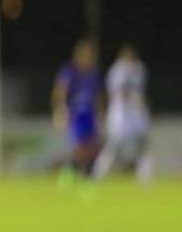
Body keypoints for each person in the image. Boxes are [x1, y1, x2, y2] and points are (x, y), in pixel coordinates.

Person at [94, 44, 152, 182]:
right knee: (112, 149)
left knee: (143, 147)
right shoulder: (117, 70)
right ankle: (96, 177)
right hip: (121, 115)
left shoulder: (139, 69)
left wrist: (142, 104)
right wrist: (134, 99)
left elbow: (141, 92)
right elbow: (118, 92)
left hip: (136, 115)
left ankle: (145, 181)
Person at [51, 37, 104, 178]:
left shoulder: (93, 74)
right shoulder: (70, 71)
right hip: (76, 115)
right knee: (80, 149)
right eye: (86, 54)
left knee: (94, 148)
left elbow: (98, 96)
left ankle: (87, 177)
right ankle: (67, 174)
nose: (88, 57)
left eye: (90, 54)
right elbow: (60, 90)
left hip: (90, 115)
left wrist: (100, 115)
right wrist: (60, 109)